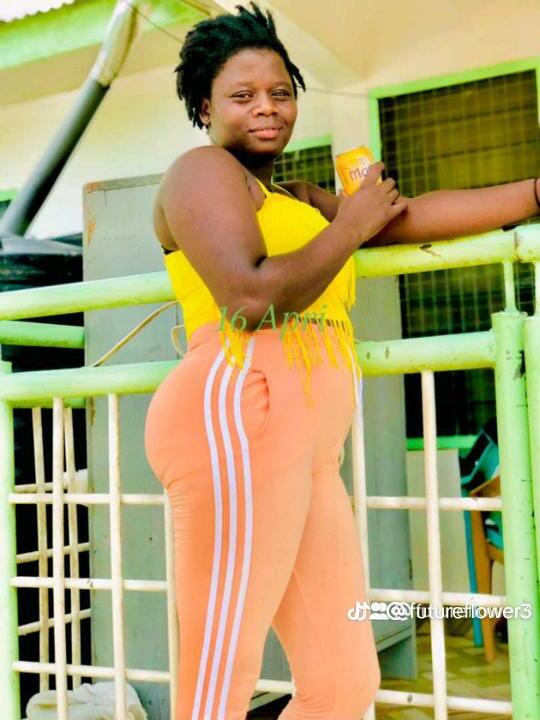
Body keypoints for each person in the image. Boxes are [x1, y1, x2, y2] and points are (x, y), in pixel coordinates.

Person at [144, 3, 540, 719]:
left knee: (343, 681)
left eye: (281, 92)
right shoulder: (200, 173)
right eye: (242, 95)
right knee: (219, 680)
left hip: (307, 444)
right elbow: (249, 297)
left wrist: (535, 193)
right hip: (237, 413)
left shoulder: (296, 198)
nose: (267, 108)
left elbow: (408, 217)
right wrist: (352, 223)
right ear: (204, 107)